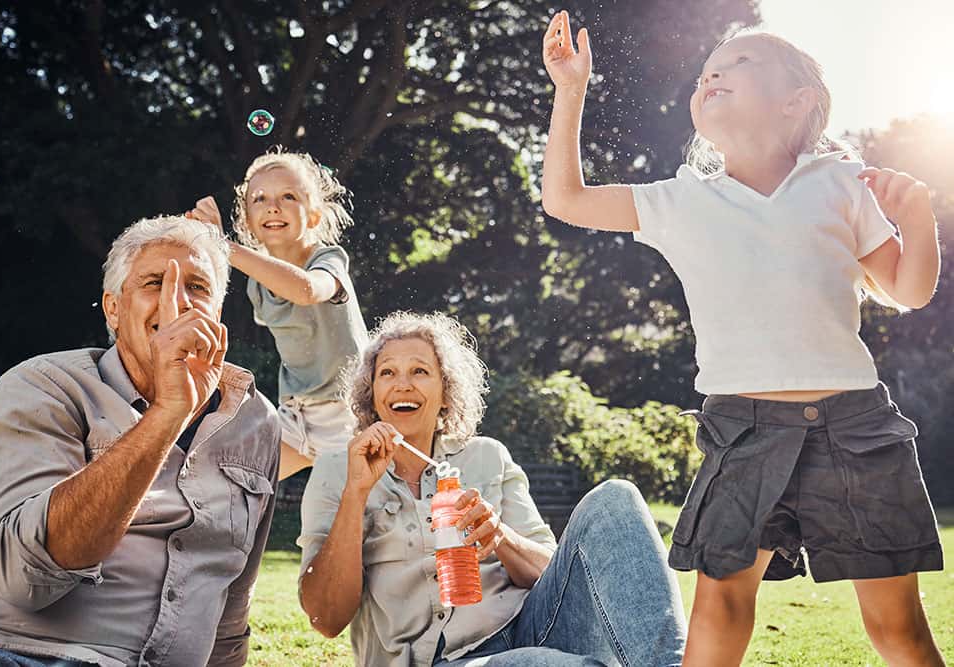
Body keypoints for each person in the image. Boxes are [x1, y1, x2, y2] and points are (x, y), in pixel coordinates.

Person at [541, 11, 945, 666]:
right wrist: (571, 91)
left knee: (896, 627)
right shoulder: (680, 200)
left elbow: (906, 288)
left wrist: (918, 219)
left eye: (742, 63)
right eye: (708, 72)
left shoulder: (842, 183)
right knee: (721, 609)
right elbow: (565, 198)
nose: (714, 74)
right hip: (743, 431)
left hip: (854, 428)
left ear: (797, 102)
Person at [0, 216, 281, 666]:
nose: (178, 301)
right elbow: (23, 578)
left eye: (199, 287)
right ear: (113, 309)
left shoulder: (257, 421)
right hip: (8, 653)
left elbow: (230, 602)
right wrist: (169, 412)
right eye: (154, 282)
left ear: (218, 313)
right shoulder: (44, 386)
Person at [297, 311, 687, 667]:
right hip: (437, 661)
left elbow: (552, 577)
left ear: (446, 393)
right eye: (387, 373)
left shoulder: (487, 457)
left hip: (528, 628)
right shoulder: (338, 468)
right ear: (371, 393)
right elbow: (325, 619)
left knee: (615, 499)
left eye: (419, 371)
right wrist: (356, 494)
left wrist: (500, 535)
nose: (402, 384)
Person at [188, 148, 368, 481]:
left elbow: (306, 291)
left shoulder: (328, 260)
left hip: (349, 416)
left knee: (358, 514)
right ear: (247, 220)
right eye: (260, 199)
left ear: (313, 216)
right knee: (226, 484)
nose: (274, 206)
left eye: (289, 196)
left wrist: (224, 246)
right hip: (296, 419)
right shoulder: (257, 283)